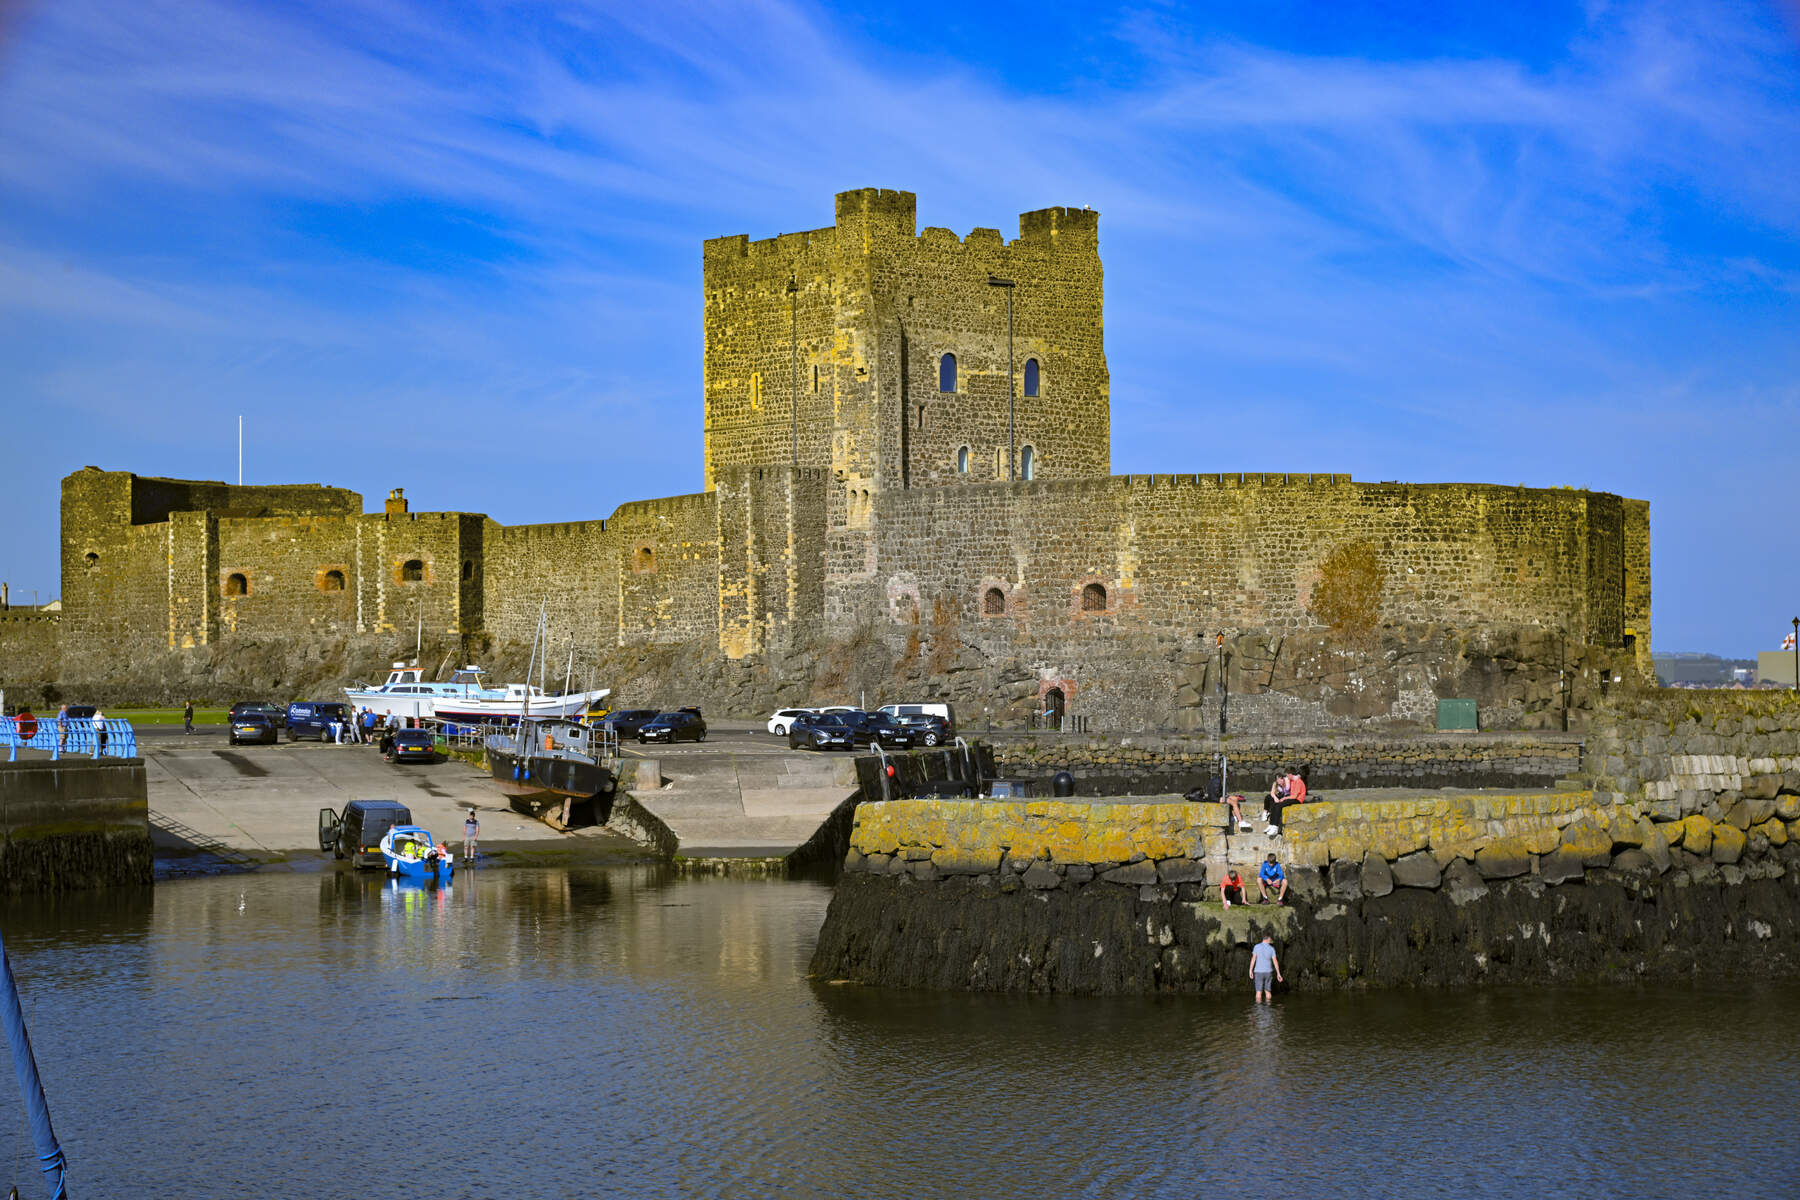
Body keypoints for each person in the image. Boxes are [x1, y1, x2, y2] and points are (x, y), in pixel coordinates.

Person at [1250, 935, 1283, 1003]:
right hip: (1268, 972)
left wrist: (1250, 970)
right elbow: (1275, 961)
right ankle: (1268, 1008)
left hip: (1258, 972)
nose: (1270, 942)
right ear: (1267, 940)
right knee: (1268, 991)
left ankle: (1258, 1010)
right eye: (1270, 941)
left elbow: (1253, 959)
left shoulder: (1256, 947)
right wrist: (1278, 973)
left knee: (1258, 992)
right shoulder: (1271, 949)